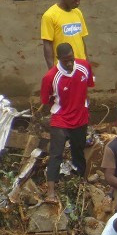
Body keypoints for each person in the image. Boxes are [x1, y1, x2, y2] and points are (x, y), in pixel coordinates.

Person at [40, 42, 94, 203]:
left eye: (71, 59)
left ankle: (80, 184)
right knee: (56, 153)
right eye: (65, 61)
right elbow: (46, 99)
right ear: (59, 59)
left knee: (78, 151)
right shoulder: (50, 77)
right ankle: (51, 192)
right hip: (60, 118)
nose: (69, 63)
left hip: (80, 117)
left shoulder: (84, 67)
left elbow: (88, 86)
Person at [41, 0, 87, 70]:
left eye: (80, 0)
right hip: (63, 67)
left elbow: (82, 40)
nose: (78, 3)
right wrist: (52, 70)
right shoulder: (50, 15)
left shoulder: (78, 13)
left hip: (80, 66)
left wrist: (87, 64)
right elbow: (47, 45)